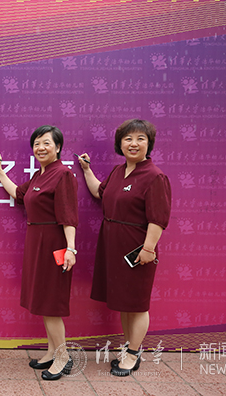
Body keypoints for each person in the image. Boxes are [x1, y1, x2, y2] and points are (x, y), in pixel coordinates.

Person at [77, 119, 171, 377]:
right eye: (128, 139)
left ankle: (133, 354)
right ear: (120, 144)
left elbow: (158, 218)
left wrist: (148, 249)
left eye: (141, 138)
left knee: (137, 304)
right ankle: (130, 347)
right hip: (113, 245)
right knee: (124, 303)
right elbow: (100, 192)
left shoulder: (155, 176)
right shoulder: (118, 171)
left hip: (138, 248)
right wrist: (87, 170)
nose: (134, 143)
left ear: (149, 144)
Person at [0, 125, 78, 381]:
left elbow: (69, 216)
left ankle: (63, 356)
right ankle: (52, 352)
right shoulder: (40, 175)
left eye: (46, 143)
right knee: (42, 301)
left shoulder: (63, 174)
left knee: (51, 304)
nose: (41, 148)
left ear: (58, 147)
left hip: (54, 244)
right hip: (36, 242)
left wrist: (70, 248)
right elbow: (18, 194)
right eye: (37, 143)